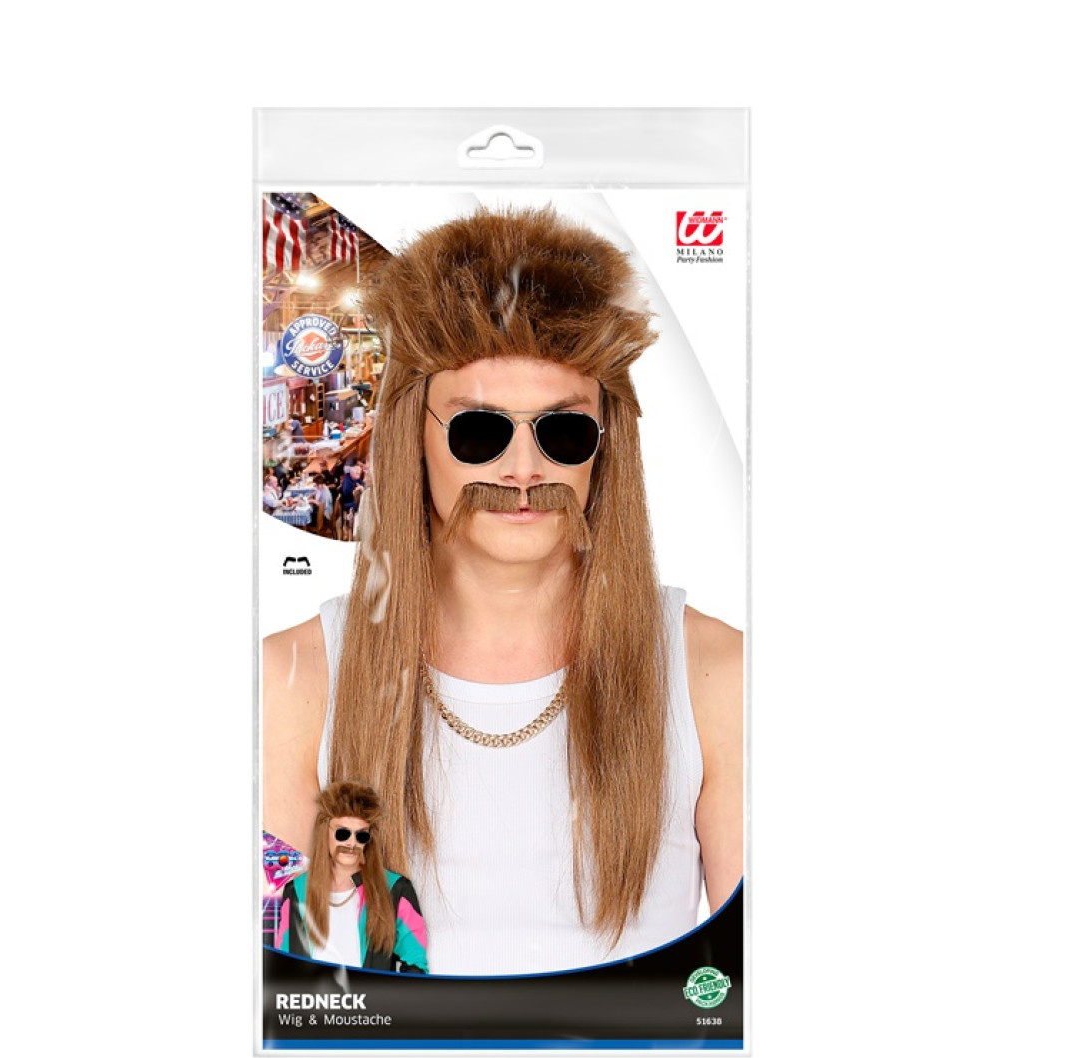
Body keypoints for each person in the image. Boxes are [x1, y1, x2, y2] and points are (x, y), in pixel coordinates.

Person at [262, 207, 742, 975]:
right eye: (479, 432)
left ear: (604, 447)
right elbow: (287, 986)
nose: (523, 471)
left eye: (563, 433)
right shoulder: (294, 683)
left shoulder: (718, 677)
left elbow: (751, 986)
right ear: (414, 435)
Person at [268, 781, 428, 972]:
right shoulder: (297, 890)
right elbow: (284, 964)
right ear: (325, 831)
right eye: (343, 833)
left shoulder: (395, 889)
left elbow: (416, 964)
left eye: (361, 836)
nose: (351, 843)